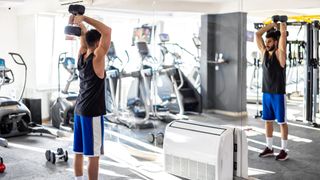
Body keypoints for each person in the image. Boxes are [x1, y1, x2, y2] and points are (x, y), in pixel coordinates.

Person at [72, 14, 111, 180]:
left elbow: (83, 36)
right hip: (92, 113)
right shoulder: (97, 58)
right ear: (98, 43)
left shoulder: (81, 55)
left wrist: (76, 21)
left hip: (79, 109)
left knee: (79, 151)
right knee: (94, 156)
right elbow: (107, 31)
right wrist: (83, 18)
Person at [255, 21, 288, 161]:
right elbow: (257, 34)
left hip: (278, 95)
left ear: (275, 42)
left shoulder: (280, 54)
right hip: (266, 93)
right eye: (266, 41)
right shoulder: (263, 53)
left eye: (269, 41)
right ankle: (269, 148)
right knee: (268, 121)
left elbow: (283, 38)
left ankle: (284, 150)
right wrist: (272, 24)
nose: (267, 43)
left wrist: (282, 25)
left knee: (281, 122)